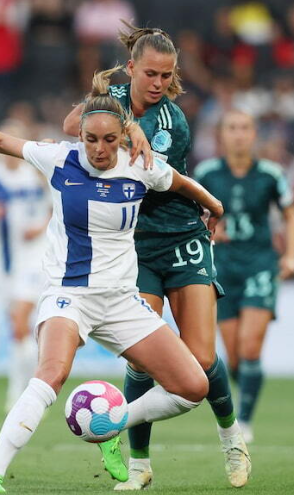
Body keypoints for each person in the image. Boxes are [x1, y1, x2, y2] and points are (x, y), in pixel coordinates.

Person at [0, 66, 223, 494]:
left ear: (122, 136)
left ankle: (112, 421)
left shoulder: (140, 166)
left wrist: (213, 206)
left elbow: (180, 183)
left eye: (109, 140)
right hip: (69, 295)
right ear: (79, 136)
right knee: (51, 372)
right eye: (91, 140)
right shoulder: (58, 159)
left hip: (121, 300)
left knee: (192, 387)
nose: (100, 150)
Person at [63, 21, 251, 490]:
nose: (158, 84)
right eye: (150, 73)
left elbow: (142, 165)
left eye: (166, 76)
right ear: (131, 69)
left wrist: (119, 123)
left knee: (202, 358)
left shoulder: (173, 124)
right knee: (144, 361)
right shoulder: (112, 104)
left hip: (182, 238)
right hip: (136, 247)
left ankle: (231, 437)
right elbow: (71, 127)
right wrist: (116, 114)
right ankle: (140, 465)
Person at [194, 109, 294, 443]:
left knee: (250, 347)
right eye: (232, 128)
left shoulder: (270, 174)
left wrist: (292, 256)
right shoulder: (207, 172)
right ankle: (245, 395)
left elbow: (291, 215)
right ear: (221, 135)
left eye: (244, 128)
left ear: (254, 135)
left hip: (259, 265)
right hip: (222, 267)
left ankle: (246, 421)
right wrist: (209, 228)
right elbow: (192, 215)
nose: (238, 134)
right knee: (235, 357)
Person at [0, 120, 50, 411]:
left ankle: (21, 393)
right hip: (1, 264)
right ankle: (27, 387)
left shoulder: (36, 175)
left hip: (34, 258)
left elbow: (59, 205)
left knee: (18, 324)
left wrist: (42, 227)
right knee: (19, 330)